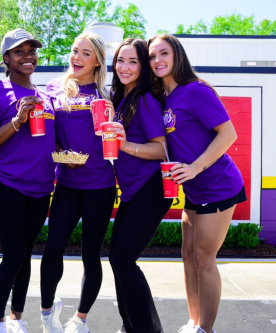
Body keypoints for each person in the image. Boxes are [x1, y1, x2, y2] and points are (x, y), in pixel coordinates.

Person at [148, 34, 246, 333]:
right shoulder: (164, 97)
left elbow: (228, 134)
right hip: (193, 189)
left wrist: (195, 166)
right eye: (152, 56)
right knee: (188, 255)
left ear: (177, 55)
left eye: (163, 53)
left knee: (204, 258)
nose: (157, 61)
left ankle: (206, 329)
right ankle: (193, 322)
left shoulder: (196, 91)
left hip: (218, 185)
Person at [0, 29, 56, 333]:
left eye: (31, 51)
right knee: (13, 254)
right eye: (19, 52)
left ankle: (16, 319)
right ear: (6, 58)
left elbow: (53, 142)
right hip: (7, 184)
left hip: (42, 187)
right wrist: (16, 121)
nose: (27, 57)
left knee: (26, 254)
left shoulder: (46, 96)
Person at [39, 32, 115, 333]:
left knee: (90, 255)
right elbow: (46, 134)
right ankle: (46, 313)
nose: (77, 58)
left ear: (97, 61)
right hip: (67, 183)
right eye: (74, 51)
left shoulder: (108, 95)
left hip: (100, 184)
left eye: (85, 53)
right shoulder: (55, 88)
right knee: (53, 248)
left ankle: (80, 320)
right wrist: (59, 156)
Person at [108, 38, 173, 333]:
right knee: (116, 258)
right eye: (121, 60)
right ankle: (130, 324)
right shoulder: (123, 99)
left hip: (151, 188)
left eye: (133, 61)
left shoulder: (144, 99)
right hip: (133, 190)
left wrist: (125, 145)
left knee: (123, 260)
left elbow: (161, 149)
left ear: (143, 67)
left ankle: (146, 329)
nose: (125, 66)